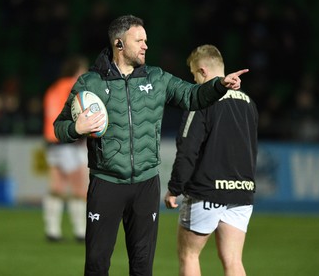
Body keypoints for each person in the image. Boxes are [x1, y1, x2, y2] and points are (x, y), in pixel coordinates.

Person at [53, 15, 248, 276]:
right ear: (119, 43)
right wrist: (76, 128)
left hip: (146, 185)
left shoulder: (157, 79)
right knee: (97, 265)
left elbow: (193, 95)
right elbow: (59, 127)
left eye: (146, 40)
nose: (146, 45)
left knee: (143, 267)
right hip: (106, 184)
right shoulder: (90, 83)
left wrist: (219, 86)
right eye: (140, 40)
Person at [164, 45, 258, 276]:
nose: (194, 81)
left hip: (206, 191)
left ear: (203, 71)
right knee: (234, 261)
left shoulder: (201, 100)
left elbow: (188, 149)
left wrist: (174, 188)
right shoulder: (248, 102)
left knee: (190, 255)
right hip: (241, 191)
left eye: (194, 75)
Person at [43, 55, 89, 242]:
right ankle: (81, 231)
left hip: (52, 141)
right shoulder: (73, 86)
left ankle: (52, 230)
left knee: (57, 187)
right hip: (69, 142)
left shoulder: (54, 88)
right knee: (79, 188)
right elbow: (77, 113)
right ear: (77, 70)